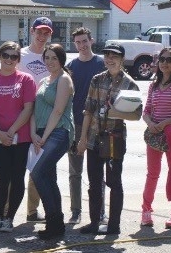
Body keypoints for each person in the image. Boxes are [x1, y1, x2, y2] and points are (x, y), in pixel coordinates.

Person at [78, 43, 141, 235]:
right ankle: (94, 222)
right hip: (94, 137)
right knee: (94, 183)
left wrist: (117, 113)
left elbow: (137, 115)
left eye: (114, 56)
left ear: (122, 59)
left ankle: (114, 225)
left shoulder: (130, 83)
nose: (110, 59)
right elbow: (88, 111)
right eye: (107, 55)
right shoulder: (97, 80)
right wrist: (82, 139)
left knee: (114, 183)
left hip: (115, 138)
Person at [0, 41, 36, 233]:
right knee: (2, 178)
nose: (10, 60)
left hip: (20, 137)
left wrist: (11, 131)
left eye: (14, 56)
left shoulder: (26, 79)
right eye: (6, 55)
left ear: (18, 59)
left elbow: (28, 108)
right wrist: (0, 133)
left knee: (17, 177)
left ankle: (10, 217)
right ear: (0, 56)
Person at [141, 48, 171, 229]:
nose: (164, 62)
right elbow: (146, 111)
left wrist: (163, 124)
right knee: (152, 174)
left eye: (169, 60)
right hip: (154, 134)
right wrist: (150, 123)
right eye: (161, 59)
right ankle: (146, 211)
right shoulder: (153, 84)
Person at [31, 44, 74, 240]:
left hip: (58, 133)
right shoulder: (43, 81)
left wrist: (44, 137)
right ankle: (57, 225)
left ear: (61, 60)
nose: (49, 62)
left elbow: (58, 111)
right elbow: (34, 109)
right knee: (48, 178)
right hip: (41, 134)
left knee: (38, 174)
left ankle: (53, 222)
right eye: (46, 58)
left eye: (54, 58)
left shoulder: (64, 80)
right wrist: (34, 134)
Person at [65, 27, 106, 225]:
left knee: (97, 172)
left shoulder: (102, 63)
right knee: (75, 171)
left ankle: (100, 211)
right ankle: (75, 210)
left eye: (85, 41)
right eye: (78, 42)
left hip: (98, 125)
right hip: (76, 124)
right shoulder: (71, 66)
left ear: (92, 40)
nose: (82, 45)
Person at [17, 16, 52, 222]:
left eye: (46, 32)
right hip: (21, 114)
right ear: (31, 31)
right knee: (16, 165)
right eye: (39, 31)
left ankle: (32, 210)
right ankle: (6, 210)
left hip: (43, 116)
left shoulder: (52, 55)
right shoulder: (20, 55)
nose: (41, 36)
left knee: (38, 165)